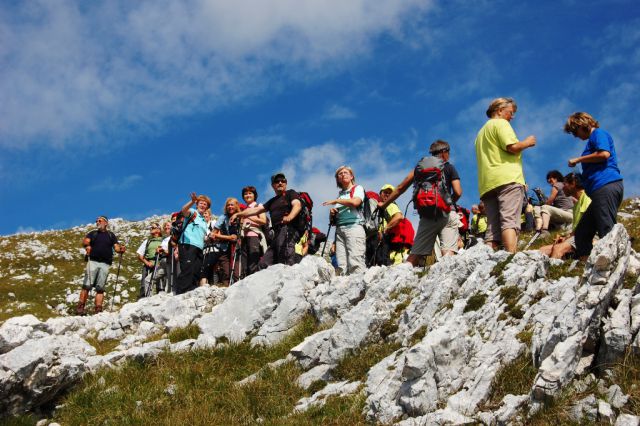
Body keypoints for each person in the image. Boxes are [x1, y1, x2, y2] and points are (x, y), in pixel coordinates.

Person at [378, 140, 462, 266]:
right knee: (447, 254)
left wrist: (383, 205)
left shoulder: (419, 169)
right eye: (448, 152)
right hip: (448, 214)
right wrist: (448, 204)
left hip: (427, 215)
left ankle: (401, 279)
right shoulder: (449, 167)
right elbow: (458, 191)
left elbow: (400, 188)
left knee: (414, 256)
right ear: (444, 152)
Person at [474, 97, 536, 253]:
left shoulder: (480, 133)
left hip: (487, 182)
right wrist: (528, 142)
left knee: (492, 226)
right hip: (507, 178)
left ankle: (488, 258)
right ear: (500, 110)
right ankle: (511, 258)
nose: (512, 116)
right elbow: (512, 147)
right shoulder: (501, 123)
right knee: (509, 220)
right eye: (511, 112)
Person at [564, 112, 624, 259]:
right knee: (582, 233)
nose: (575, 136)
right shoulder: (593, 139)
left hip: (605, 185)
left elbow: (604, 154)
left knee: (606, 227)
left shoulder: (598, 133)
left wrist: (578, 159)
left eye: (574, 131)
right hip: (599, 190)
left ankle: (614, 262)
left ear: (581, 124)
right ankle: (588, 264)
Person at [231, 172, 302, 268]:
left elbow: (297, 205)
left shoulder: (290, 193)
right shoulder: (272, 201)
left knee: (285, 257)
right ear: (273, 185)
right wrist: (238, 214)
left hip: (288, 229)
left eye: (283, 181)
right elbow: (256, 210)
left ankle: (290, 280)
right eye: (277, 181)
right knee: (263, 264)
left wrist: (290, 216)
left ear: (286, 183)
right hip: (276, 234)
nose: (280, 183)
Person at [77, 216, 125, 315]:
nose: (97, 222)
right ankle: (81, 307)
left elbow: (116, 247)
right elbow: (85, 241)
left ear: (106, 223)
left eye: (99, 221)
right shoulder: (93, 233)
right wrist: (87, 245)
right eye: (96, 221)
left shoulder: (111, 235)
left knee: (100, 287)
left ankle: (98, 309)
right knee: (87, 285)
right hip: (93, 261)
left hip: (105, 263)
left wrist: (120, 249)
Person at [322, 166, 366, 275]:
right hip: (340, 230)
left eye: (346, 172)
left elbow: (356, 202)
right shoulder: (341, 194)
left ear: (351, 176)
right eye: (340, 174)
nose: (343, 174)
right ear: (338, 179)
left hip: (354, 227)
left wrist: (336, 201)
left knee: (355, 261)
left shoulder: (357, 188)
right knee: (342, 264)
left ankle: (358, 288)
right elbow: (333, 222)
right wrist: (332, 213)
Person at [539, 172, 591, 259]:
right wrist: (566, 237)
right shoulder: (576, 206)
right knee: (542, 250)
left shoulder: (587, 198)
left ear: (573, 183)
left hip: (588, 237)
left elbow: (590, 224)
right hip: (578, 236)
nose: (562, 188)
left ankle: (552, 271)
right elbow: (578, 227)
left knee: (557, 248)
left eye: (565, 184)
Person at [175, 193, 210, 294]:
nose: (203, 205)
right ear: (197, 204)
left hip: (199, 247)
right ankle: (181, 293)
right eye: (201, 203)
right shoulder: (193, 213)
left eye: (205, 204)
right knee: (187, 269)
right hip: (187, 245)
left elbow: (202, 236)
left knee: (196, 271)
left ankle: (192, 291)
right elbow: (184, 210)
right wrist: (191, 201)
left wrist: (208, 238)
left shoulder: (204, 221)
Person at [210, 198, 241, 286]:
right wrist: (229, 237)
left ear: (236, 206)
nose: (230, 207)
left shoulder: (240, 216)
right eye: (228, 205)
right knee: (226, 272)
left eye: (232, 204)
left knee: (237, 272)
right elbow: (213, 234)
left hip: (238, 247)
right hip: (224, 247)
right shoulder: (223, 217)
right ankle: (226, 289)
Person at [533, 170, 574, 237]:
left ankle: (544, 230)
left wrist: (543, 202)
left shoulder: (557, 185)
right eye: (548, 179)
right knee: (538, 208)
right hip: (564, 215)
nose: (548, 180)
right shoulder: (564, 186)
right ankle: (539, 227)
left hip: (568, 213)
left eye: (550, 178)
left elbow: (549, 201)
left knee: (544, 207)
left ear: (556, 178)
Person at [378, 184, 409, 265]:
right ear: (380, 194)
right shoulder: (382, 207)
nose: (387, 194)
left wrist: (385, 228)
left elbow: (399, 217)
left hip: (390, 244)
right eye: (385, 192)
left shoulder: (390, 205)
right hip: (396, 247)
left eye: (390, 193)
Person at [240, 186, 268, 276]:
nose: (247, 195)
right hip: (244, 237)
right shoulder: (244, 209)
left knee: (253, 261)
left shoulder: (258, 206)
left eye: (250, 193)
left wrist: (249, 216)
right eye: (245, 194)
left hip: (254, 235)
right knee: (244, 262)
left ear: (254, 195)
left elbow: (263, 221)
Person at [136, 222, 164, 298]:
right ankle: (145, 298)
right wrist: (147, 262)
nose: (151, 229)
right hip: (148, 264)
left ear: (159, 230)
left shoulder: (164, 240)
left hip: (160, 263)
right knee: (144, 283)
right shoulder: (147, 241)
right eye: (151, 228)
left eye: (153, 228)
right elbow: (139, 255)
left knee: (160, 283)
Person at [199, 209, 217, 285]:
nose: (204, 215)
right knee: (204, 268)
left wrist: (208, 237)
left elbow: (216, 234)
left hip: (213, 249)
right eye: (203, 214)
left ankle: (212, 285)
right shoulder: (201, 226)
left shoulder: (213, 223)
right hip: (204, 250)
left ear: (210, 215)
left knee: (209, 268)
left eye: (206, 213)